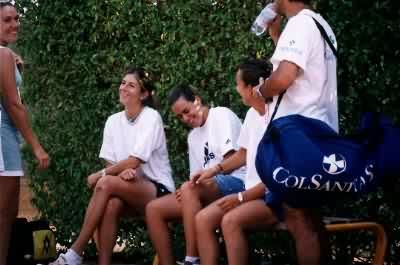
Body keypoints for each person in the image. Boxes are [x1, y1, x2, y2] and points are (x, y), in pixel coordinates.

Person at [50, 67, 175, 265]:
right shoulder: (112, 121)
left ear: (143, 94)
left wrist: (103, 174)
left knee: (105, 183)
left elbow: (134, 161)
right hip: (125, 186)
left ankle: (75, 252)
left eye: (131, 85)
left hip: (157, 189)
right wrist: (119, 173)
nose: (124, 88)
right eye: (123, 83)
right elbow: (112, 161)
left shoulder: (151, 117)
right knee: (111, 204)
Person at [255, 0, 338, 264]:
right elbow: (307, 73)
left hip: (299, 135)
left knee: (298, 217)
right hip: (319, 132)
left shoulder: (300, 23)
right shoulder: (320, 24)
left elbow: (283, 78)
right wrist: (278, 37)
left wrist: (260, 90)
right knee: (312, 218)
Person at [146, 85, 246, 265]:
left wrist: (192, 186)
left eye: (186, 111)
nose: (185, 118)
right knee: (154, 209)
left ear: (197, 100)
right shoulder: (192, 138)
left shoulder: (220, 115)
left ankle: (192, 259)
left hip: (239, 181)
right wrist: (186, 190)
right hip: (209, 188)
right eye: (180, 116)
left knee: (188, 188)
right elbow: (196, 178)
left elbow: (233, 160)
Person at [193, 59, 279, 265]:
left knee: (230, 220)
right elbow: (242, 154)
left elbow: (278, 175)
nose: (236, 89)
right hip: (251, 194)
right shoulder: (251, 114)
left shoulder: (280, 114)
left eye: (238, 84)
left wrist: (241, 197)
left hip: (273, 197)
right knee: (202, 219)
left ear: (251, 88)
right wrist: (213, 171)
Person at [0, 2, 50, 265]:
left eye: (16, 18)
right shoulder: (3, 55)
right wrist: (37, 146)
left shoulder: (7, 56)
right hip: (3, 140)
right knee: (4, 215)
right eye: (7, 20)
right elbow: (13, 105)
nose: (15, 24)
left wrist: (16, 72)